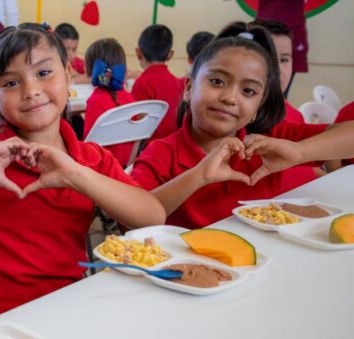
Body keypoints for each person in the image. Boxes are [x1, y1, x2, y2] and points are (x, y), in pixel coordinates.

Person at [0, 23, 165, 321]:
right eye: (10, 83)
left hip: (71, 308)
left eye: (44, 73)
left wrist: (76, 175)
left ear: (68, 74)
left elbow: (153, 217)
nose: (31, 91)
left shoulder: (91, 158)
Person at [130, 24, 354, 229]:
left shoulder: (270, 142)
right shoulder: (161, 153)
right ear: (189, 88)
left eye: (248, 91)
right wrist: (199, 175)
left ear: (258, 107)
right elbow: (130, 221)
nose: (229, 97)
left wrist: (299, 151)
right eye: (217, 81)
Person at [244, 100, 354, 179]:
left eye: (248, 90)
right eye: (225, 83)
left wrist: (299, 151)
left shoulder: (277, 131)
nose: (231, 98)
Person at [82, 38, 137, 167]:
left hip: (100, 171)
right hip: (123, 170)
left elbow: (88, 147)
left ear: (90, 69)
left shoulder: (96, 101)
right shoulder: (131, 99)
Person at [131, 24, 182, 140]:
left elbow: (135, 123)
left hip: (148, 151)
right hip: (172, 146)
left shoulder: (142, 83)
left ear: (138, 53)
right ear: (170, 55)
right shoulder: (177, 83)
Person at [251, 19, 303, 123]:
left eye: (284, 60)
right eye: (269, 58)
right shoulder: (233, 114)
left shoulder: (295, 117)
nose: (278, 69)